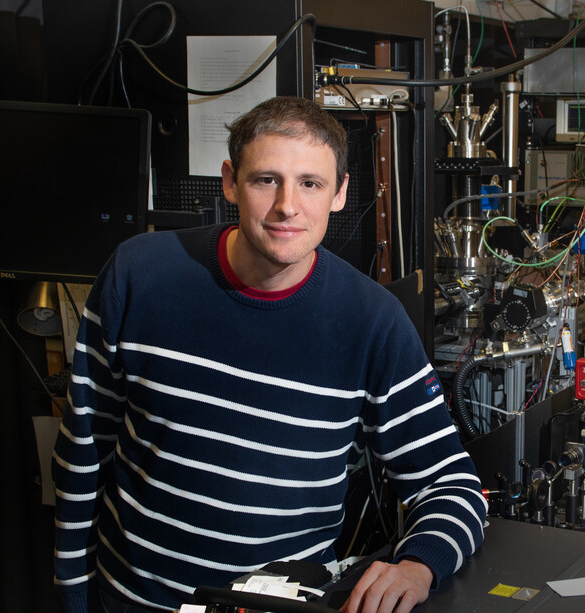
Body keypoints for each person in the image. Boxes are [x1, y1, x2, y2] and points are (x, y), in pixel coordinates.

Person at [52, 96, 486, 613]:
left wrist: (420, 565)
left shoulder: (373, 322)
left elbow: (450, 483)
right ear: (230, 181)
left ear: (340, 193)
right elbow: (83, 450)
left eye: (310, 183)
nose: (287, 205)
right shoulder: (140, 275)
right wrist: (72, 595)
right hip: (131, 602)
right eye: (266, 180)